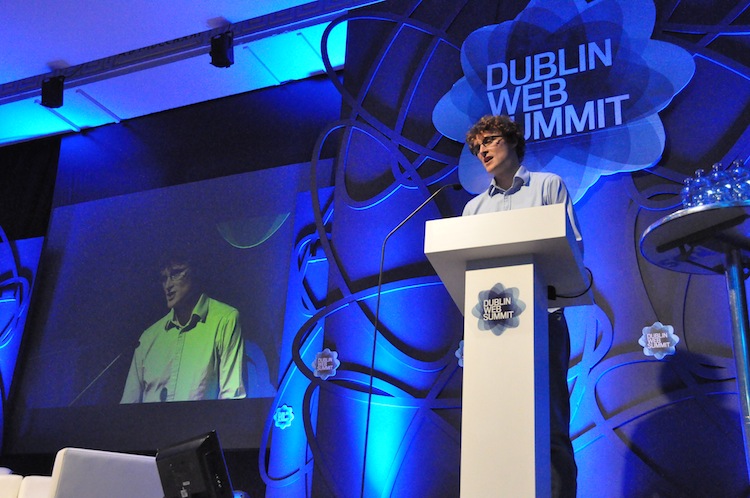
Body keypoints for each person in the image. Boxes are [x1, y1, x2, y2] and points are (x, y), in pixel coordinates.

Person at [463, 114, 581, 497]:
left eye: (490, 140)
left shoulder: (548, 186)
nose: (482, 150)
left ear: (513, 141)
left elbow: (573, 250)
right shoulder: (473, 209)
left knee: (550, 427)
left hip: (543, 322)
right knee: (497, 431)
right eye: (477, 146)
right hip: (493, 334)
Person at [121, 252, 246, 403]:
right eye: (164, 278)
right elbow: (128, 406)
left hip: (199, 426)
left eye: (175, 274)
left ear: (195, 272)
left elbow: (231, 398)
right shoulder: (148, 337)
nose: (168, 285)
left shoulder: (224, 320)